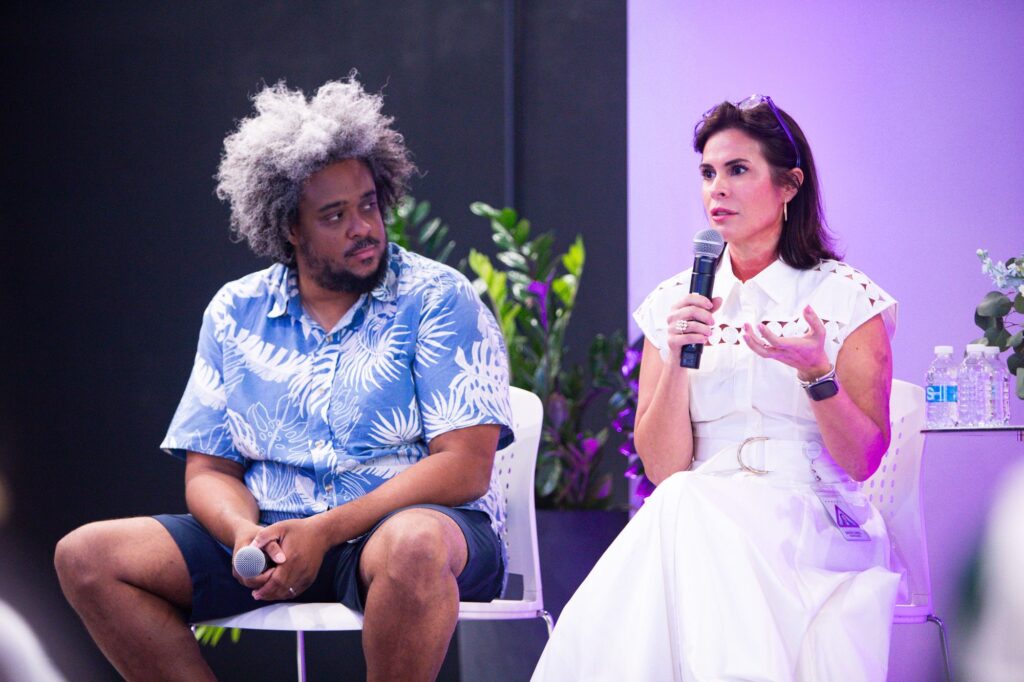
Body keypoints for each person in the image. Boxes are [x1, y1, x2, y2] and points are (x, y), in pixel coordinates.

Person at [54, 76, 514, 682]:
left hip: (409, 534)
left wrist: (324, 531)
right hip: (276, 533)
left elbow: (463, 466)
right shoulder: (234, 311)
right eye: (335, 215)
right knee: (88, 556)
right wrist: (247, 532)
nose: (363, 227)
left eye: (370, 204)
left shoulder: (436, 298)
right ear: (290, 228)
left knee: (413, 546)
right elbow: (211, 469)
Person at [532, 96, 900, 681]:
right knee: (684, 504)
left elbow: (862, 460)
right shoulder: (674, 302)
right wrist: (677, 357)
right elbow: (663, 468)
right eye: (707, 173)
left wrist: (816, 375)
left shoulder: (848, 300)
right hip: (700, 513)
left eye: (737, 170)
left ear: (789, 185)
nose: (716, 190)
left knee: (685, 514)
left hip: (808, 516)